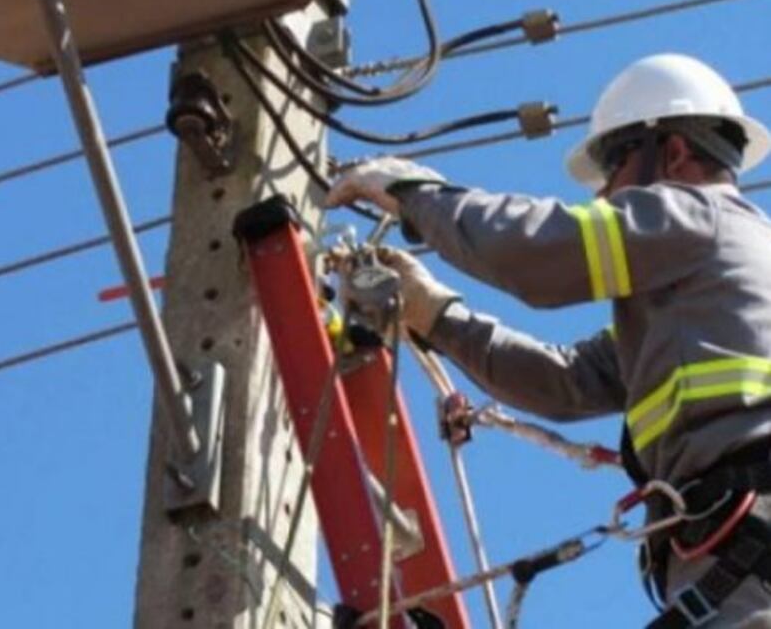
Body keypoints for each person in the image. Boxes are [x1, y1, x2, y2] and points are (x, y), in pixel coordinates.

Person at [326, 53, 771, 628]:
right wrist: (437, 315)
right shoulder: (701, 299)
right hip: (732, 560)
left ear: (675, 152)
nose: (604, 194)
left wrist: (419, 196)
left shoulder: (698, 218)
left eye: (614, 165)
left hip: (744, 558)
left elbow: (538, 249)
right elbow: (565, 381)